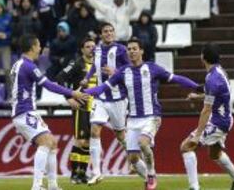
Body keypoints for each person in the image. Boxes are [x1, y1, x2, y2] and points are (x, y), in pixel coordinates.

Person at [85, 38, 201, 190]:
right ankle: (149, 178)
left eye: (134, 49)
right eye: (129, 49)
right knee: (133, 158)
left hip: (151, 116)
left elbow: (176, 78)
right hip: (132, 119)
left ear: (141, 51)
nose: (131, 51)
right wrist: (80, 93)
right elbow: (102, 88)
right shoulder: (122, 72)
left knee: (143, 142)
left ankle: (151, 174)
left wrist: (197, 87)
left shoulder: (152, 68)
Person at [10, 34, 89, 190]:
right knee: (46, 142)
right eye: (39, 45)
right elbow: (48, 85)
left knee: (52, 143)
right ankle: (37, 186)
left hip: (25, 111)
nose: (40, 48)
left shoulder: (18, 64)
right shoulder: (28, 66)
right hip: (24, 112)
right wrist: (72, 93)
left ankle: (52, 185)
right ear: (32, 47)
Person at [180, 43, 234, 190]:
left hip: (218, 121)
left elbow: (206, 110)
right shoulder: (218, 72)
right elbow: (213, 94)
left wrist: (197, 135)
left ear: (203, 57)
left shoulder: (212, 78)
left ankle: (194, 187)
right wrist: (198, 97)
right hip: (225, 118)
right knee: (215, 154)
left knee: (186, 147)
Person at [81, 22, 129, 185]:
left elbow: (129, 70)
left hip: (118, 98)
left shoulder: (122, 50)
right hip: (101, 98)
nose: (108, 33)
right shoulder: (98, 50)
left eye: (111, 31)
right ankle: (96, 172)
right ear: (101, 35)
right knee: (94, 130)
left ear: (114, 34)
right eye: (105, 31)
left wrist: (115, 72)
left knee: (121, 135)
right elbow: (95, 67)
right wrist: (87, 78)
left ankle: (135, 158)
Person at [55, 37, 96, 184]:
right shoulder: (77, 63)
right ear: (82, 49)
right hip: (82, 107)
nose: (91, 48)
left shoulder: (99, 65)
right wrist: (69, 98)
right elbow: (60, 77)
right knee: (80, 140)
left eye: (93, 46)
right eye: (88, 46)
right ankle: (74, 174)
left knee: (88, 141)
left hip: (96, 108)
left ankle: (83, 173)